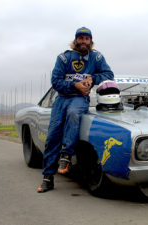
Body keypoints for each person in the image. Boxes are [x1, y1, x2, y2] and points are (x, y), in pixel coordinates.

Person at [37, 27, 114, 193]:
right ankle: (47, 179)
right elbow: (56, 82)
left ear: (91, 41)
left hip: (80, 99)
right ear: (75, 40)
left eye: (87, 38)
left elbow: (109, 74)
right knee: (52, 136)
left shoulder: (96, 57)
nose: (83, 41)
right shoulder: (64, 57)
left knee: (73, 113)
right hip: (62, 99)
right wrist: (74, 84)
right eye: (81, 38)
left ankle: (66, 155)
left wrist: (92, 78)